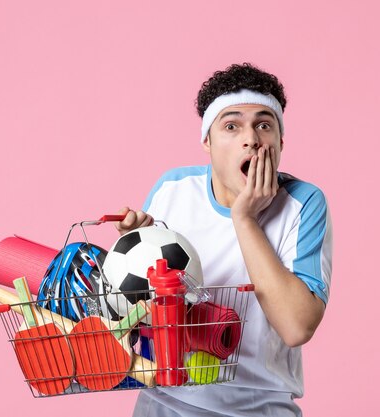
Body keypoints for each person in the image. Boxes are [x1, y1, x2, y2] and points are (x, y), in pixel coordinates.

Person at [116, 63, 333, 417]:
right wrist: (134, 253)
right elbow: (142, 315)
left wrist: (245, 219)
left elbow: (296, 326)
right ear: (208, 141)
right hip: (164, 403)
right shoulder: (173, 189)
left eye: (264, 125)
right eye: (231, 126)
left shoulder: (303, 204)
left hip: (259, 407)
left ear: (280, 141)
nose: (251, 138)